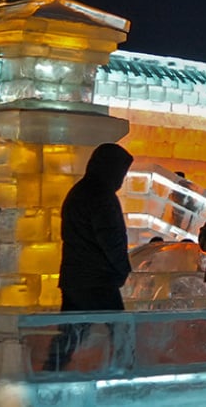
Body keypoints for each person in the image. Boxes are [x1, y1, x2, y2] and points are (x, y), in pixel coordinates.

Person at [44, 143, 134, 371]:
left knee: (70, 333)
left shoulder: (78, 191)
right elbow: (111, 240)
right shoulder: (102, 196)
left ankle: (51, 372)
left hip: (75, 278)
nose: (122, 180)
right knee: (120, 331)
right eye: (121, 173)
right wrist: (122, 269)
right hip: (98, 280)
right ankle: (125, 375)